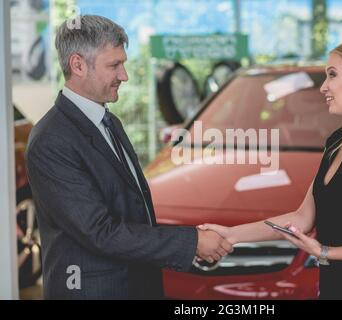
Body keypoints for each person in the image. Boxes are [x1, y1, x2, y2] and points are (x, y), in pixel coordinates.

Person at [25, 15, 232, 300]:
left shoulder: (109, 122)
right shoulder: (51, 140)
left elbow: (133, 213)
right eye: (114, 65)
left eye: (123, 64)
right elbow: (101, 231)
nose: (124, 76)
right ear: (77, 65)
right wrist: (191, 242)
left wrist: (189, 238)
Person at [198, 39, 342, 300]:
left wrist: (325, 252)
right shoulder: (337, 141)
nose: (323, 87)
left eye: (332, 75)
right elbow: (302, 218)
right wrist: (232, 235)